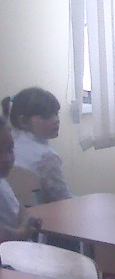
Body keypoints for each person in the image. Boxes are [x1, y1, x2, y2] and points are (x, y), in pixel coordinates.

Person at [2, 87, 72, 203]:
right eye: (46, 116)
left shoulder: (10, 142)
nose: (56, 120)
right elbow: (63, 198)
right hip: (46, 211)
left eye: (56, 113)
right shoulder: (46, 157)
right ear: (23, 121)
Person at [0, 116, 42, 244]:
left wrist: (28, 221)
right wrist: (21, 233)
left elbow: (19, 209)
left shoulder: (2, 182)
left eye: (10, 149)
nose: (6, 158)